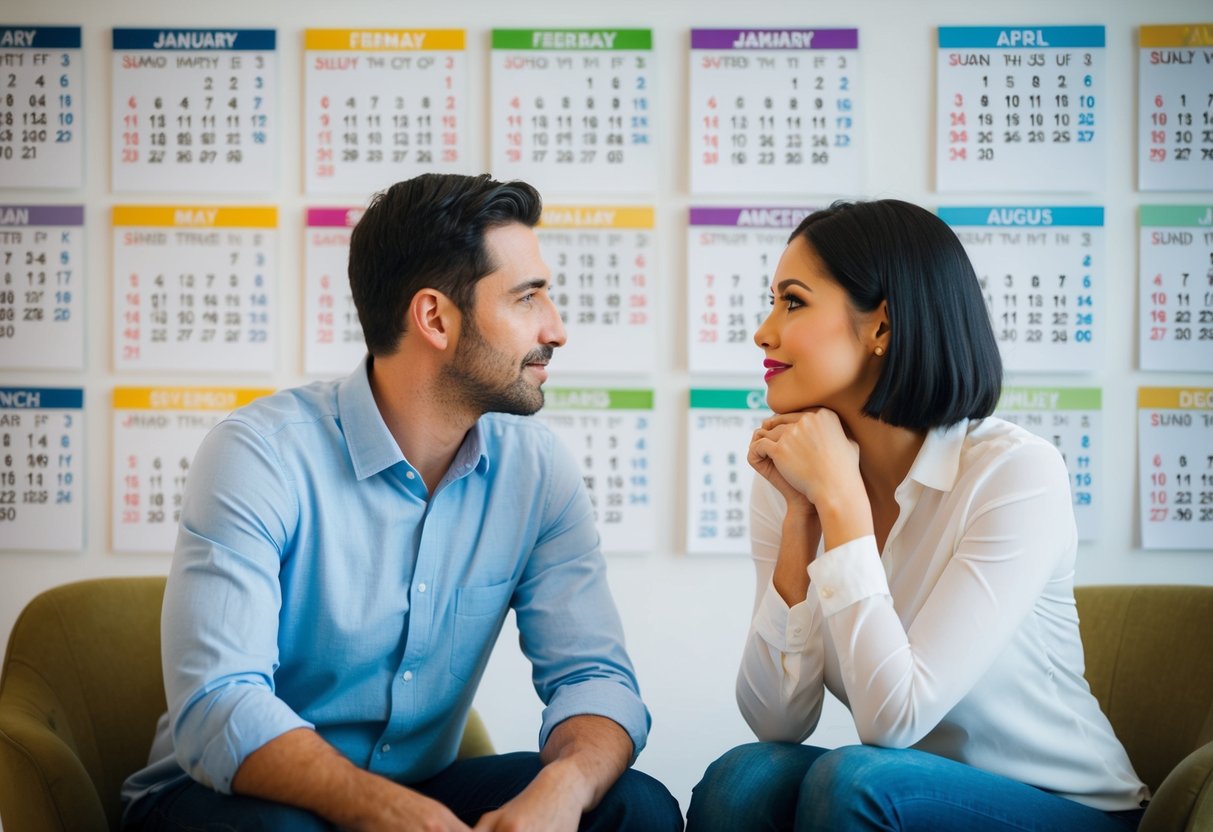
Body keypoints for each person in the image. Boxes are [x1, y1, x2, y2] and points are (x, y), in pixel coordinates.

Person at [121, 173, 682, 832]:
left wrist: (566, 784)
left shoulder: (535, 471)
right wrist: (385, 811)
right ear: (435, 318)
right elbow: (220, 703)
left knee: (633, 806)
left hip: (419, 784)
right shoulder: (259, 454)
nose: (555, 328)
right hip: (225, 796)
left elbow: (594, 677)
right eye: (527, 297)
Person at [686, 200, 1148, 832]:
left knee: (856, 779)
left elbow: (893, 719)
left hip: (1070, 809)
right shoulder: (794, 480)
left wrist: (842, 504)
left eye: (792, 302)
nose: (764, 332)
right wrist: (801, 518)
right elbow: (775, 721)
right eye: (772, 303)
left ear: (881, 326)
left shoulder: (1015, 473)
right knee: (744, 777)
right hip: (900, 789)